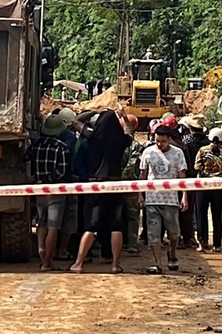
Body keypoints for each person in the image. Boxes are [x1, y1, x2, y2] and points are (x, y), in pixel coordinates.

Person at [68, 109, 130, 273]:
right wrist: (124, 117)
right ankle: (115, 265)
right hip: (116, 185)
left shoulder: (93, 136)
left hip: (96, 184)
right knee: (116, 226)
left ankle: (79, 263)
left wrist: (93, 111)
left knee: (91, 226)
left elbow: (75, 121)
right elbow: (130, 131)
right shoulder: (121, 140)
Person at [29, 110, 77, 271]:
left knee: (41, 222)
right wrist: (50, 178)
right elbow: (61, 170)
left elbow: (27, 163)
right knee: (53, 226)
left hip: (39, 188)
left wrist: (38, 178)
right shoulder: (61, 148)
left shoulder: (35, 145)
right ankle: (47, 262)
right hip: (55, 190)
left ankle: (41, 248)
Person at [139, 121, 189, 273]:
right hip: (152, 199)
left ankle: (172, 254)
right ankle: (158, 263)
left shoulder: (177, 153)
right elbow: (143, 174)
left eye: (163, 141)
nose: (160, 144)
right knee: (153, 234)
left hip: (170, 200)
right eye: (157, 141)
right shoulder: (148, 152)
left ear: (169, 139)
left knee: (173, 231)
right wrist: (140, 195)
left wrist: (184, 196)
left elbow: (182, 176)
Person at [190, 117, 222, 252]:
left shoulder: (203, 150)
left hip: (203, 186)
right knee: (217, 216)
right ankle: (217, 245)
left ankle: (203, 243)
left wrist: (205, 171)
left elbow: (196, 166)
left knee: (201, 215)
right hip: (218, 188)